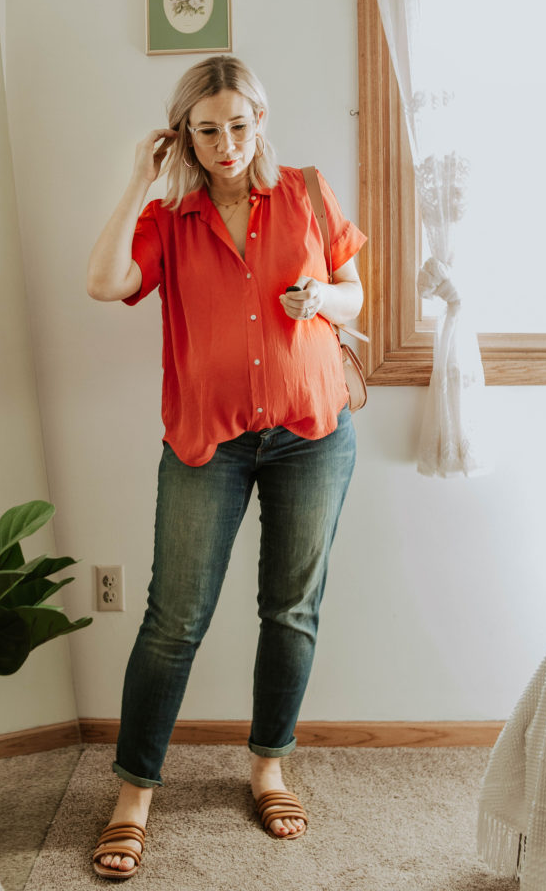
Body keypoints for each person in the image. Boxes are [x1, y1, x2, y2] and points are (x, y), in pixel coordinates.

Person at [87, 55, 366, 880]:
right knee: (172, 622)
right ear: (184, 135)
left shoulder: (308, 192)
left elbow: (356, 294)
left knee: (292, 609)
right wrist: (134, 181)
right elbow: (104, 283)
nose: (226, 143)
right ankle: (134, 791)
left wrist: (320, 294)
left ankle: (268, 766)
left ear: (260, 120)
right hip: (206, 440)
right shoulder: (169, 216)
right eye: (206, 130)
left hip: (312, 433)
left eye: (238, 125)